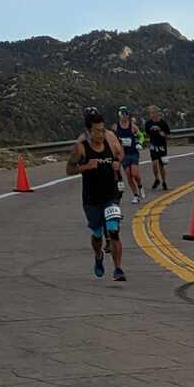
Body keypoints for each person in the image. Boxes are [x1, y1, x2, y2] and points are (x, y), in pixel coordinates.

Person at [68, 108, 126, 280]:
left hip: (111, 195)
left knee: (113, 230)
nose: (101, 134)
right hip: (91, 199)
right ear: (88, 131)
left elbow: (120, 153)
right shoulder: (80, 147)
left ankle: (118, 269)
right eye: (97, 131)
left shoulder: (110, 139)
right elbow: (69, 169)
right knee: (97, 234)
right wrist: (86, 167)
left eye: (102, 130)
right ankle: (98, 256)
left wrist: (117, 162)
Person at [113, 107, 145, 204]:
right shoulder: (116, 127)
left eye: (126, 114)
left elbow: (141, 135)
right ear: (119, 115)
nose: (124, 116)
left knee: (134, 173)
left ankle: (140, 185)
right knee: (129, 175)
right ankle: (135, 195)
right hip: (123, 154)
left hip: (133, 152)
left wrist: (140, 143)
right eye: (122, 114)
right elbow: (112, 138)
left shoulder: (132, 126)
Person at [145, 106, 170, 190]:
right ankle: (157, 179)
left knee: (161, 165)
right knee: (154, 164)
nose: (151, 115)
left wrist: (163, 134)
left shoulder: (163, 123)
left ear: (157, 113)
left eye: (153, 113)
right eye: (150, 113)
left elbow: (168, 134)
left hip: (162, 147)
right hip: (153, 146)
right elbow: (147, 133)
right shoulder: (148, 123)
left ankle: (164, 182)